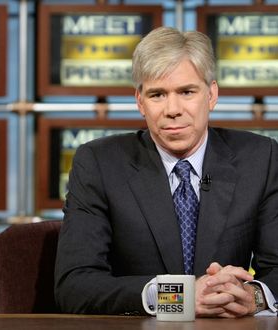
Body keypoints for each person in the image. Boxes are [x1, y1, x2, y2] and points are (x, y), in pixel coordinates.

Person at [54, 26, 278, 317]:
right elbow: (74, 285)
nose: (173, 109)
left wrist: (253, 297)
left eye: (187, 92)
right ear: (140, 102)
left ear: (211, 95)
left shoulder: (260, 158)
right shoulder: (98, 163)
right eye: (157, 94)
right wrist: (177, 298)